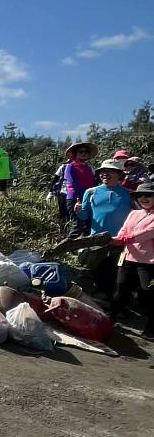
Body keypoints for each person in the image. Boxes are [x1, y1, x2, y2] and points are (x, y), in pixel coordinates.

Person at [77, 159, 132, 296]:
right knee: (95, 271)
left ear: (120, 174)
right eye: (103, 171)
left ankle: (116, 302)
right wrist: (78, 211)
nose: (105, 174)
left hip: (120, 240)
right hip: (97, 240)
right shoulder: (90, 192)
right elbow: (84, 216)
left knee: (117, 273)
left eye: (110, 171)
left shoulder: (129, 194)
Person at [110, 182, 154, 340]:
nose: (144, 198)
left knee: (147, 294)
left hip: (149, 262)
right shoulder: (134, 213)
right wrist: (115, 239)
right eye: (140, 195)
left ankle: (150, 329)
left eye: (148, 195)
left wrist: (122, 239)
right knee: (120, 289)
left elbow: (147, 233)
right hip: (128, 257)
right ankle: (111, 320)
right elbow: (123, 231)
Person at [64, 142, 98, 238]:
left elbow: (93, 183)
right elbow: (74, 183)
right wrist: (84, 196)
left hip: (88, 198)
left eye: (86, 152)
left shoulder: (88, 168)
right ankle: (66, 247)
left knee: (88, 224)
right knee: (77, 225)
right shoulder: (70, 167)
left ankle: (84, 248)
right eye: (80, 151)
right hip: (76, 198)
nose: (84, 153)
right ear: (75, 154)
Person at [47, 160, 71, 225]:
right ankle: (63, 229)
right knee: (63, 213)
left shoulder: (86, 167)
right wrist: (51, 192)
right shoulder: (63, 167)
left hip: (76, 194)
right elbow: (55, 179)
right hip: (63, 192)